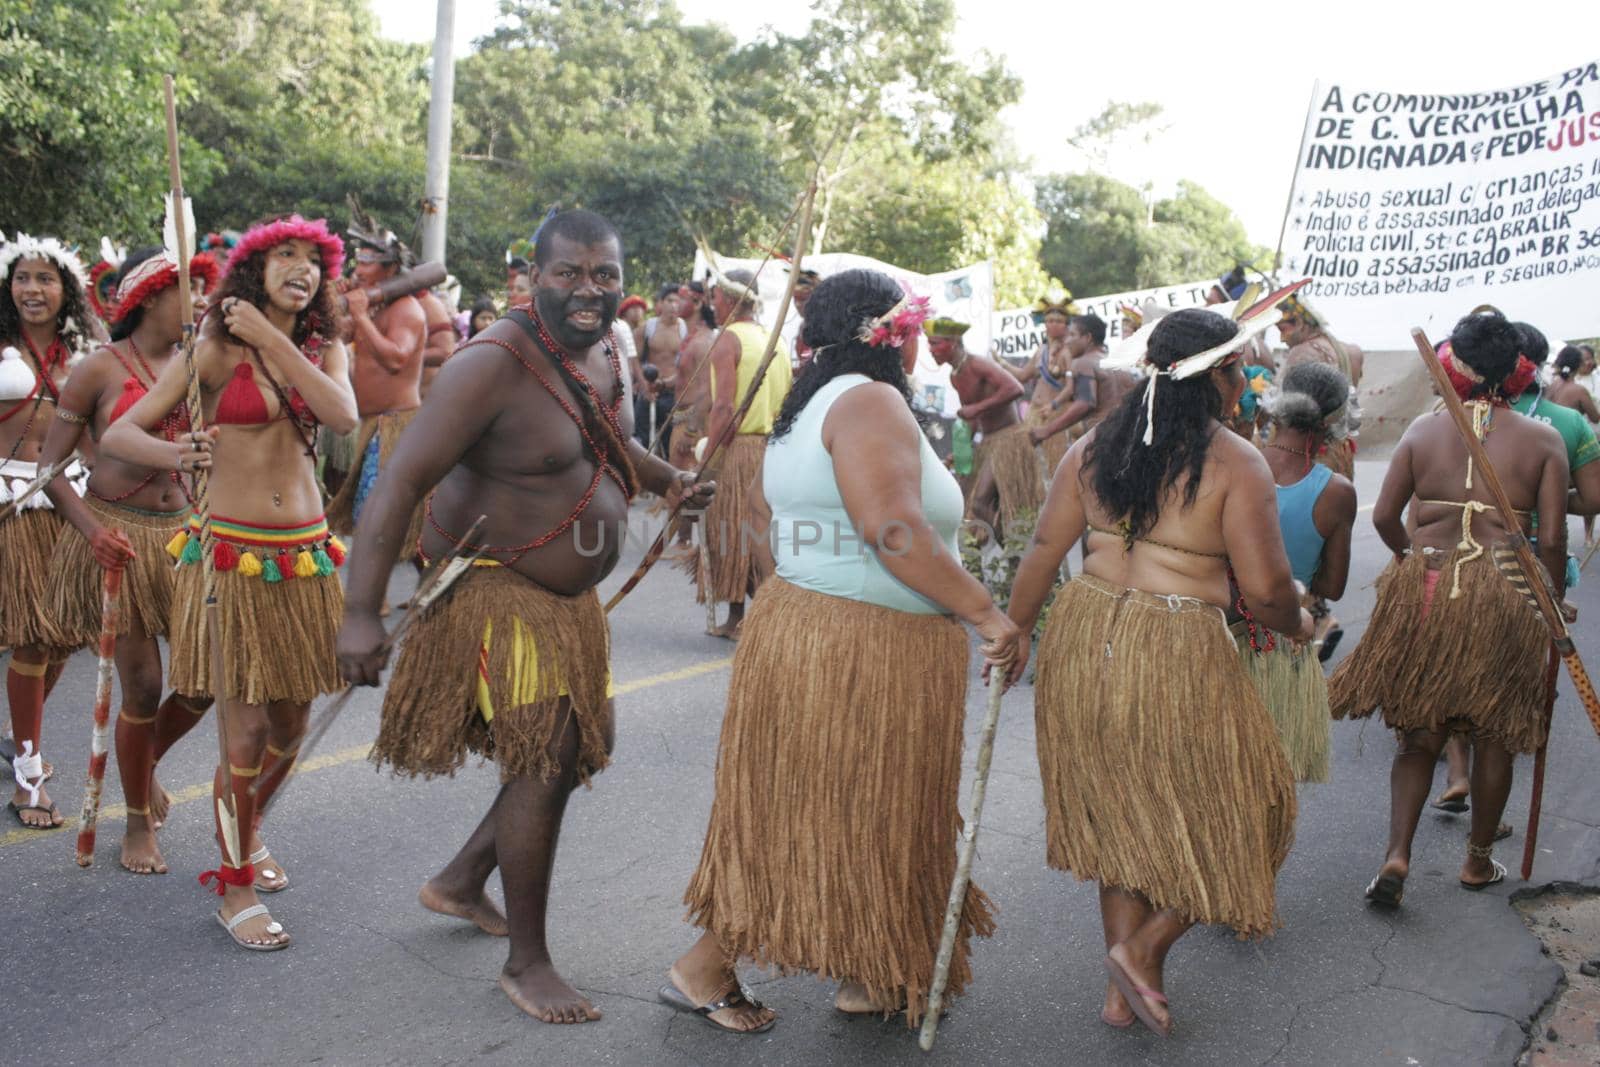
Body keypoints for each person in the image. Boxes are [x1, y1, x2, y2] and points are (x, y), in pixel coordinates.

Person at [339, 209, 712, 1024]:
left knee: (575, 744)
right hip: (493, 588)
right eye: (569, 274)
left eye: (604, 275)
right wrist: (360, 613)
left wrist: (666, 481)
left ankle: (462, 880)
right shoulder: (489, 364)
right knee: (547, 755)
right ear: (534, 277)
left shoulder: (605, 349)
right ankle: (527, 961)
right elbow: (398, 483)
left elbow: (607, 445)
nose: (589, 290)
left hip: (565, 603)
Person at [669, 269, 1020, 1032]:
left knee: (864, 808)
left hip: (824, 628)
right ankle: (706, 963)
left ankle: (877, 967)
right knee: (824, 806)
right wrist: (987, 614)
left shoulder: (817, 399)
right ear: (892, 332)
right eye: (917, 324)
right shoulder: (869, 399)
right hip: (858, 641)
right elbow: (893, 530)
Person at [1005, 306, 1307, 1037]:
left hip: (1085, 632)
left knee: (1123, 816)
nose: (1247, 384)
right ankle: (1143, 948)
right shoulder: (1237, 460)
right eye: (1241, 370)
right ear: (1220, 377)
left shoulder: (1095, 446)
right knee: (1252, 809)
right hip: (1175, 643)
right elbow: (1267, 592)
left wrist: (1014, 631)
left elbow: (1044, 550)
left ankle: (1126, 987)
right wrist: (1300, 625)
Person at [101, 214, 359, 949]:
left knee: (290, 727)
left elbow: (343, 416)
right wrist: (176, 450)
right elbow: (121, 434)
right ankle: (234, 884)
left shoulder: (324, 348)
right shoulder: (208, 351)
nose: (302, 267)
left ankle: (243, 829)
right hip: (231, 557)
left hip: (305, 559)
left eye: (314, 259)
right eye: (286, 254)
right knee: (242, 728)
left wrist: (276, 339)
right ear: (253, 268)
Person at [1331, 310, 1566, 908]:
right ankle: (1477, 861)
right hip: (1507, 588)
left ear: (1452, 367)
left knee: (1419, 737)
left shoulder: (1421, 431)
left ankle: (1397, 855)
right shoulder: (1543, 440)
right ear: (1516, 371)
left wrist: (1411, 560)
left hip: (1429, 585)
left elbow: (1384, 517)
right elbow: (1555, 539)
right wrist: (1554, 599)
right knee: (1496, 733)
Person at [38, 246, 219, 868]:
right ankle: (137, 824)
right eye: (187, 291)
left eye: (203, 290)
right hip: (118, 536)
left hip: (183, 536)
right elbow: (50, 469)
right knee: (143, 687)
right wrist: (91, 533)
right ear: (149, 297)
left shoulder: (202, 364)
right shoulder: (100, 369)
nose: (199, 304)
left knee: (207, 682)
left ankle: (144, 762)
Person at [1430, 320, 1600, 819]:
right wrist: (1536, 500)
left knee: (1451, 673)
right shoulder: (1563, 427)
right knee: (1498, 700)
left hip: (1451, 566)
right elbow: (1587, 502)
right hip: (1521, 573)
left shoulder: (1440, 418)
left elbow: (1414, 510)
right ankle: (1482, 842)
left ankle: (1456, 770)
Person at [1, 234, 97, 827]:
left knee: (62, 635)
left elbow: (101, 430)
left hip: (68, 497)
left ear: (67, 290)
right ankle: (28, 773)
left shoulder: (88, 351)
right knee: (34, 637)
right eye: (22, 279)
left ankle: (19, 731)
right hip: (9, 499)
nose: (32, 290)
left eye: (45, 280)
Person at [1242, 362, 1357, 781]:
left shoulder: (1238, 461)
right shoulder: (1337, 492)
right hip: (1285, 637)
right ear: (1331, 418)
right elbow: (1333, 586)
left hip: (1221, 629)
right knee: (1273, 773)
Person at [325, 217, 427, 568]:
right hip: (373, 424)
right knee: (374, 512)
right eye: (359, 261)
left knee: (382, 513)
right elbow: (337, 339)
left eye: (368, 262)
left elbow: (397, 359)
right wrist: (338, 304)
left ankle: (378, 598)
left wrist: (360, 315)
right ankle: (384, 596)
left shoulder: (407, 308)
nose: (360, 268)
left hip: (397, 423)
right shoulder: (375, 306)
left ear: (391, 268)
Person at [697, 269, 792, 639]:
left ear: (730, 298)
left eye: (715, 296)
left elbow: (723, 408)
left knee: (735, 532)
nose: (712, 303)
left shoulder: (729, 339)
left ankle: (747, 617)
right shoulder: (774, 339)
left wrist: (709, 460)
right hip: (774, 448)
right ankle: (740, 618)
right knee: (755, 531)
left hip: (741, 448)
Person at [925, 319, 1035, 535]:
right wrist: (959, 453)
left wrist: (977, 408)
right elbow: (971, 419)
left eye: (935, 343)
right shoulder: (955, 375)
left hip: (1008, 439)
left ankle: (1017, 553)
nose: (931, 350)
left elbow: (1015, 388)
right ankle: (1013, 552)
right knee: (970, 503)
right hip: (988, 443)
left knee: (980, 503)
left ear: (954, 343)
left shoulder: (977, 364)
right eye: (929, 344)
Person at [1276, 292, 1363, 477]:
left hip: (1314, 455)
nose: (1281, 339)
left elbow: (1290, 415)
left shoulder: (1301, 353)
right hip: (1342, 450)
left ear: (1299, 323)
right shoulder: (1351, 351)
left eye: (1282, 329)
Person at [1031, 314, 1138, 459]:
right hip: (1129, 440)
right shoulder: (1119, 365)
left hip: (1103, 442)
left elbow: (1085, 403)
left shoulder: (1083, 363)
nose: (1067, 341)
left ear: (1088, 338)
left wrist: (1047, 430)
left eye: (1072, 335)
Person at [1011, 293, 1075, 478]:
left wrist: (1053, 405)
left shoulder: (1068, 352)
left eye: (1058, 320)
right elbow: (1023, 375)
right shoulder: (1042, 350)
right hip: (1035, 413)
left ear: (1067, 324)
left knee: (1053, 465)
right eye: (1049, 320)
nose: (1053, 324)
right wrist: (1000, 363)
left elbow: (1070, 387)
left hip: (1055, 414)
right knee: (1032, 466)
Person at [631, 283, 685, 456]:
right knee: (643, 442)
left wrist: (668, 383)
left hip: (673, 394)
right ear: (660, 303)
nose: (674, 305)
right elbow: (633, 359)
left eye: (678, 301)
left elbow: (688, 368)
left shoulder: (686, 330)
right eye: (670, 300)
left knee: (671, 444)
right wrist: (642, 383)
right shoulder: (647, 328)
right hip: (648, 391)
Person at [1548, 345, 1600, 422]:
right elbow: (1595, 418)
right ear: (1579, 364)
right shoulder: (1579, 390)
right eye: (1584, 360)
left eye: (1590, 358)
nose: (1587, 362)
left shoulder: (1552, 385)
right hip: (1573, 428)